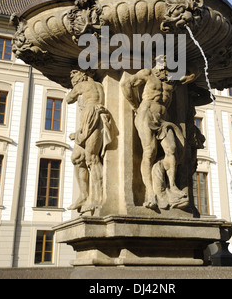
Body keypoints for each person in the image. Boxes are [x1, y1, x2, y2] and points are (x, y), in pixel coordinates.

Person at [121, 66, 197, 209]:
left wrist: (194, 69)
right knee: (150, 152)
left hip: (163, 119)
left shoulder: (172, 80)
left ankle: (172, 185)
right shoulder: (147, 74)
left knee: (172, 149)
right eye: (163, 65)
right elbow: (126, 84)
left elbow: (191, 75)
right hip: (146, 114)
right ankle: (150, 193)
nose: (165, 69)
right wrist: (135, 106)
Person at [67, 70, 111, 214]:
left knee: (91, 158)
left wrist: (75, 91)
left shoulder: (82, 86)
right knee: (77, 158)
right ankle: (84, 195)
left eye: (75, 78)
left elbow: (68, 99)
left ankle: (98, 198)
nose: (74, 81)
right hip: (97, 116)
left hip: (90, 115)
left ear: (83, 75)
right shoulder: (99, 85)